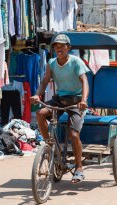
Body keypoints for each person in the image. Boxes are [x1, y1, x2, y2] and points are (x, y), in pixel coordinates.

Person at [30, 34, 89, 184]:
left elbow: (84, 82)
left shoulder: (76, 62)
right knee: (40, 113)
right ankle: (52, 147)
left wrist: (83, 100)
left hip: (76, 101)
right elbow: (44, 81)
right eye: (56, 46)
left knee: (74, 135)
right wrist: (37, 95)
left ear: (68, 48)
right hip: (59, 100)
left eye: (62, 46)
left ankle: (79, 167)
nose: (58, 49)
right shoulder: (52, 63)